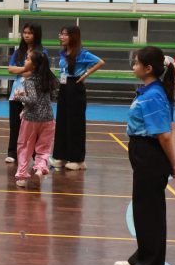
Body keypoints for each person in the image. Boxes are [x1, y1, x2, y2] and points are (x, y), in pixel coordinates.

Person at [116, 47, 175, 265]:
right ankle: (142, 257)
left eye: (136, 63)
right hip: (142, 152)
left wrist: (174, 163)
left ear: (148, 68)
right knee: (142, 208)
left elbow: (164, 134)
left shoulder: (154, 95)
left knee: (150, 212)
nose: (133, 66)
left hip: (150, 155)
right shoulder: (149, 91)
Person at [52, 26, 104, 171]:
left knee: (75, 124)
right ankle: (61, 156)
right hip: (63, 87)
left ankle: (77, 159)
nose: (61, 37)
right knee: (62, 122)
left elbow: (100, 62)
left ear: (73, 36)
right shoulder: (64, 52)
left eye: (65, 34)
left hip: (75, 87)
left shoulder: (82, 53)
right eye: (61, 34)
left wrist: (86, 74)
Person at [12, 51, 57, 188]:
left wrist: (18, 96)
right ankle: (39, 169)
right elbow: (49, 97)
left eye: (27, 59)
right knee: (44, 148)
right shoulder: (49, 79)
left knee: (24, 146)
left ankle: (22, 176)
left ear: (34, 65)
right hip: (48, 118)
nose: (25, 61)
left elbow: (32, 100)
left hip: (31, 119)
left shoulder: (30, 81)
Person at [6, 23, 44, 163]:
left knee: (33, 125)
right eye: (25, 32)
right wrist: (25, 69)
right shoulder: (18, 52)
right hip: (17, 91)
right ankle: (12, 152)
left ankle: (36, 154)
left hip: (33, 92)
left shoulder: (42, 52)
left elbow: (38, 71)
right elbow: (10, 69)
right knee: (15, 124)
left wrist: (21, 69)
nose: (26, 35)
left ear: (36, 35)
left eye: (30, 33)